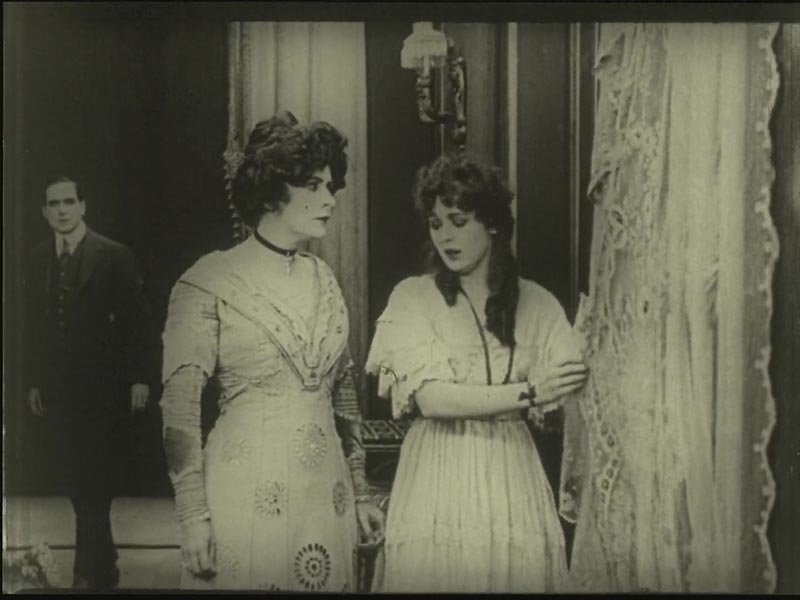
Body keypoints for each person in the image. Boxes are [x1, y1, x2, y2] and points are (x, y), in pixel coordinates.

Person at [160, 111, 385, 591]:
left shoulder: (324, 279)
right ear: (270, 191)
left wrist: (362, 491)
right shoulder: (208, 280)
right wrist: (192, 515)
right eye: (313, 186)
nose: (329, 199)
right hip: (242, 493)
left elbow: (344, 396)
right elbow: (179, 409)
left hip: (325, 500)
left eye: (330, 186)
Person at [365, 154, 589, 592]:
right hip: (436, 473)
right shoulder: (413, 297)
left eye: (458, 221)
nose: (444, 236)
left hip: (511, 475)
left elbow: (567, 398)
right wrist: (529, 393)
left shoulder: (538, 304)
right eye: (436, 224)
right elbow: (432, 399)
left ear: (492, 224)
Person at [24, 176, 153, 589]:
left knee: (94, 477)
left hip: (104, 388)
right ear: (44, 212)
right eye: (53, 204)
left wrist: (139, 379)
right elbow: (34, 328)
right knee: (77, 478)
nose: (61, 210)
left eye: (68, 202)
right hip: (60, 390)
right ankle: (105, 560)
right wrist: (34, 382)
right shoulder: (39, 257)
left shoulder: (113, 255)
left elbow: (137, 323)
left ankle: (88, 572)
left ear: (83, 206)